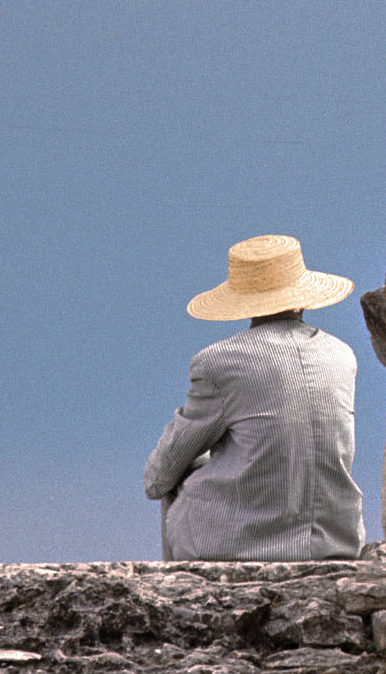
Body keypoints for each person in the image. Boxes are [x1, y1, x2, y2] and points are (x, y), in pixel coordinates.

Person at [143, 234, 366, 561]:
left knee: (184, 470)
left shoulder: (218, 362)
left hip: (240, 545)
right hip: (335, 540)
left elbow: (157, 479)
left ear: (241, 301)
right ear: (303, 295)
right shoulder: (342, 355)